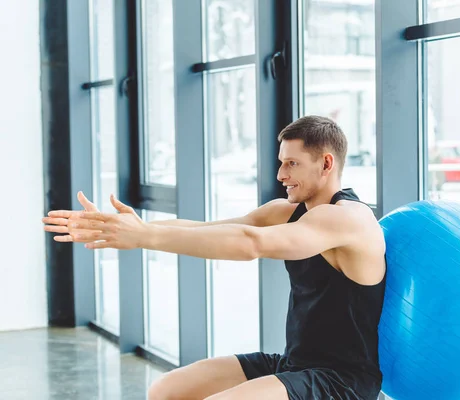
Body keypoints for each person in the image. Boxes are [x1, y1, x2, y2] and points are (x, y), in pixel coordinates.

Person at [42, 115, 387, 400]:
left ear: (326, 163)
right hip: (295, 363)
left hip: (342, 382)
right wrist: (136, 228)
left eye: (292, 164)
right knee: (167, 391)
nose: (281, 175)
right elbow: (210, 228)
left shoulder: (347, 218)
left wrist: (145, 236)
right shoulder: (287, 211)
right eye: (282, 163)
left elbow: (251, 243)